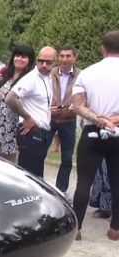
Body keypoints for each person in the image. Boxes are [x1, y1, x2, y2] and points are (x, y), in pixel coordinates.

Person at [71, 31, 119, 241]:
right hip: (117, 132)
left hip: (92, 132)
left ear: (103, 48)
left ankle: (77, 228)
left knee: (84, 181)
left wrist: (98, 119)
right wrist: (113, 120)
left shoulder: (88, 73)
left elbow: (78, 105)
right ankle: (115, 229)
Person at [4, 46, 56, 177]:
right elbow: (10, 98)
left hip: (42, 132)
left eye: (48, 62)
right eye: (40, 61)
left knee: (36, 175)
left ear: (54, 62)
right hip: (32, 132)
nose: (43, 65)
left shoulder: (48, 77)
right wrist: (27, 117)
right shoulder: (31, 78)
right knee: (30, 177)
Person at [0, 45, 35, 161]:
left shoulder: (30, 78)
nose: (19, 59)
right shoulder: (4, 72)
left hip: (12, 125)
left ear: (30, 60)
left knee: (6, 161)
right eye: (17, 55)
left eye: (24, 57)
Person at [47, 45, 82, 196]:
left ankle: (61, 190)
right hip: (49, 118)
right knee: (40, 153)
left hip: (69, 119)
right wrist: (48, 107)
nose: (64, 59)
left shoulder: (81, 75)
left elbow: (85, 96)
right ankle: (40, 187)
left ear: (75, 57)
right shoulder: (50, 72)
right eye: (61, 56)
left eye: (68, 56)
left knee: (67, 158)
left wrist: (77, 106)